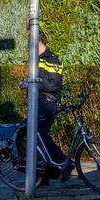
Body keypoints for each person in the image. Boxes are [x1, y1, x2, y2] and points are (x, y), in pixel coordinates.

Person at [20, 32, 66, 178]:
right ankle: (57, 166)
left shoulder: (52, 60)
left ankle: (53, 167)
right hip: (38, 103)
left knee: (34, 134)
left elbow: (54, 85)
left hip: (48, 104)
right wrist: (27, 82)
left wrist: (32, 83)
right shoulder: (36, 59)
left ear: (38, 42)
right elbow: (39, 80)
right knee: (36, 135)